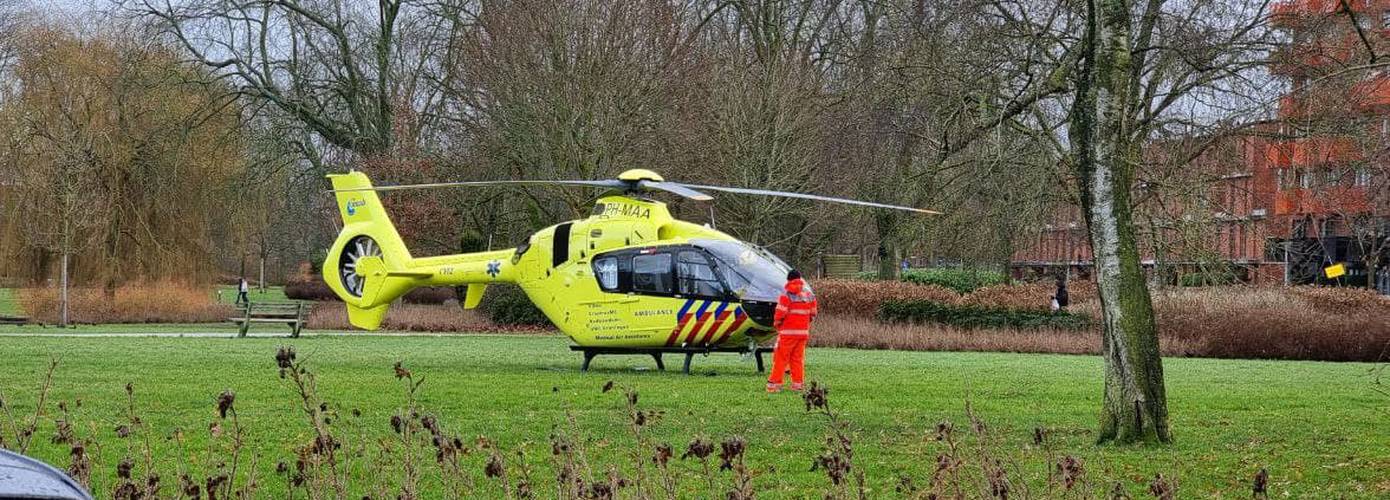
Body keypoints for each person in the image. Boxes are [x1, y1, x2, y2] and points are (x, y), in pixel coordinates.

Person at [768, 269, 817, 393]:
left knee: (781, 358)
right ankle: (798, 385)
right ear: (800, 279)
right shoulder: (809, 295)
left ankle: (774, 384)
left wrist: (777, 324)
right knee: (797, 359)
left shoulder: (786, 295)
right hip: (803, 333)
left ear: (788, 280)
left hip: (787, 333)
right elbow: (813, 314)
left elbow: (780, 313)